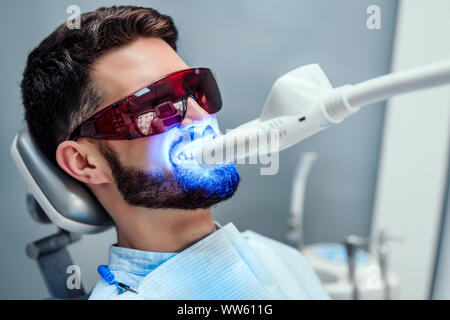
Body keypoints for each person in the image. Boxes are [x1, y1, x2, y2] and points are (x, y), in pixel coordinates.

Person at [21, 6, 329, 300]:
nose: (199, 116)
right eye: (156, 106)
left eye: (196, 89)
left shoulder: (280, 258)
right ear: (85, 162)